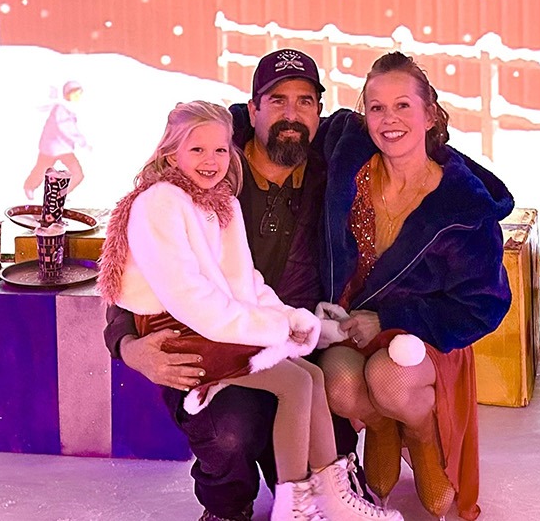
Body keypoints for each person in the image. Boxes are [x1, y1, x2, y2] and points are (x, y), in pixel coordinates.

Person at [104, 50, 377, 521]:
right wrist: (126, 345)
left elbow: (243, 279)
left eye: (305, 101)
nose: (292, 113)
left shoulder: (321, 180)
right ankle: (234, 508)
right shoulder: (178, 193)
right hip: (199, 338)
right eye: (277, 100)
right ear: (253, 110)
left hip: (266, 332)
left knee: (314, 391)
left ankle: (324, 495)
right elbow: (161, 288)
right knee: (233, 430)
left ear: (319, 112)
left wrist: (298, 325)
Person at [316, 52, 513, 521]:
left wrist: (391, 319)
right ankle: (382, 428)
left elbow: (483, 308)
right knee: (337, 383)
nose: (389, 120)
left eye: (403, 105)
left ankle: (423, 435)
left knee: (390, 376)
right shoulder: (348, 156)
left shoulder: (463, 207)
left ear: (431, 114)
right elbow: (282, 111)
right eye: (377, 107)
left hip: (424, 339)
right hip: (353, 327)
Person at [23, 80, 87, 199]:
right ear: (68, 94)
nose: (78, 96)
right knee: (41, 171)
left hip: (63, 148)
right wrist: (82, 141)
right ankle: (29, 187)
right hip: (52, 148)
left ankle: (60, 194)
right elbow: (66, 128)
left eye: (80, 93)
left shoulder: (69, 108)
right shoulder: (61, 108)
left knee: (77, 174)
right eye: (75, 93)